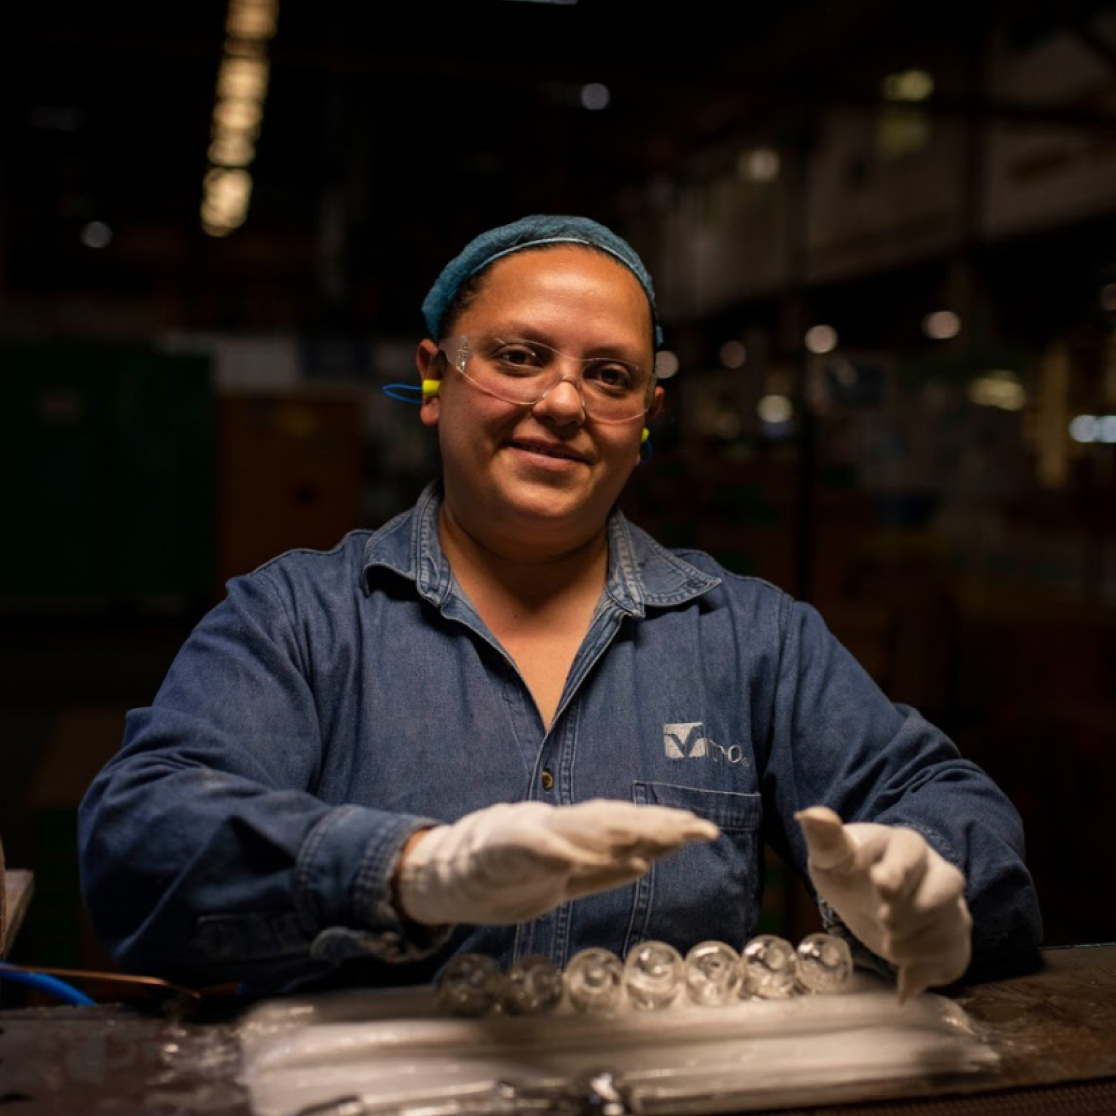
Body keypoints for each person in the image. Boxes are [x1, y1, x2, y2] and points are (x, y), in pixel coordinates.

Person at [78, 215, 1042, 999]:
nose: (565, 402)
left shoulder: (753, 638)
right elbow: (142, 838)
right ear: (432, 378)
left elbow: (954, 807)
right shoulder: (301, 619)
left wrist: (931, 880)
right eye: (519, 356)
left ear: (643, 421)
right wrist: (407, 871)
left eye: (611, 375)